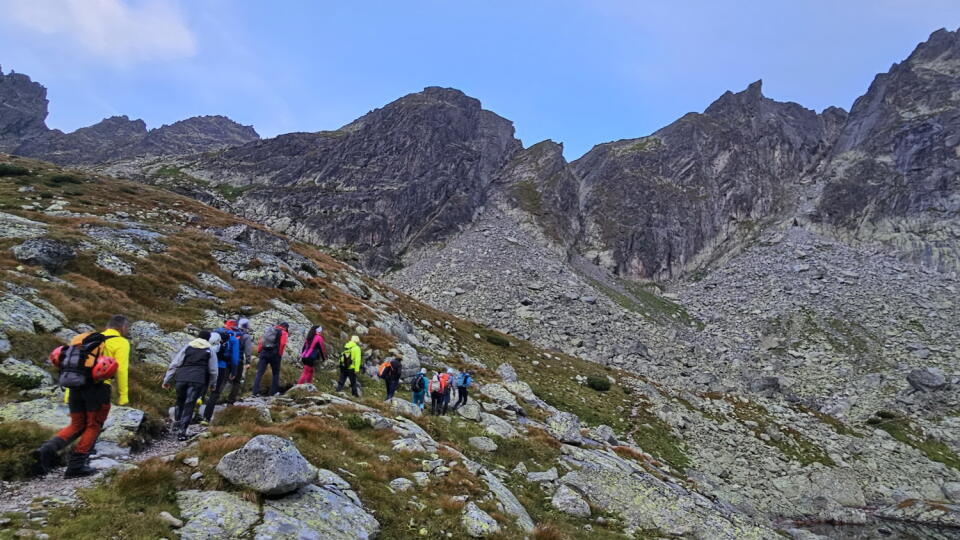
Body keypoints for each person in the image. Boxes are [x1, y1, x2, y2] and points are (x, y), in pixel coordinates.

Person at [33, 315, 131, 478]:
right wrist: (123, 396)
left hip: (76, 387)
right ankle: (76, 465)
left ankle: (46, 450)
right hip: (98, 388)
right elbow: (121, 370)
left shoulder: (86, 341)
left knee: (77, 425)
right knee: (94, 425)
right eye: (127, 328)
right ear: (122, 327)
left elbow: (74, 368)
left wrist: (67, 394)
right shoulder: (120, 342)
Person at [163, 331, 218, 440]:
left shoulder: (187, 347)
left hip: (182, 378)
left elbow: (174, 364)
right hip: (197, 380)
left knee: (180, 401)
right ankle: (182, 433)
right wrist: (213, 384)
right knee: (189, 404)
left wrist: (167, 380)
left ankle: (176, 425)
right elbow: (213, 370)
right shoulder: (210, 350)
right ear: (208, 339)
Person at [203, 321, 241, 423]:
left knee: (202, 388)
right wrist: (234, 371)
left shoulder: (214, 334)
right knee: (215, 392)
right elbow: (234, 357)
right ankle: (206, 417)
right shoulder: (233, 339)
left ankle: (193, 413)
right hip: (221, 366)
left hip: (207, 364)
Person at [253, 322, 289, 397]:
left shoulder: (270, 330)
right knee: (275, 373)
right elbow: (282, 344)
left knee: (259, 372)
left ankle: (255, 392)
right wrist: (280, 354)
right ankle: (273, 392)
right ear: (285, 327)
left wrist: (260, 351)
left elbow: (261, 341)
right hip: (274, 355)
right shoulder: (283, 332)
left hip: (264, 353)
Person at [226, 318, 254, 404]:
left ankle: (217, 396)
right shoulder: (246, 336)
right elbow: (248, 350)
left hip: (227, 359)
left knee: (225, 379)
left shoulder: (231, 333)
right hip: (238, 360)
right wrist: (248, 362)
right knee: (236, 381)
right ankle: (230, 401)